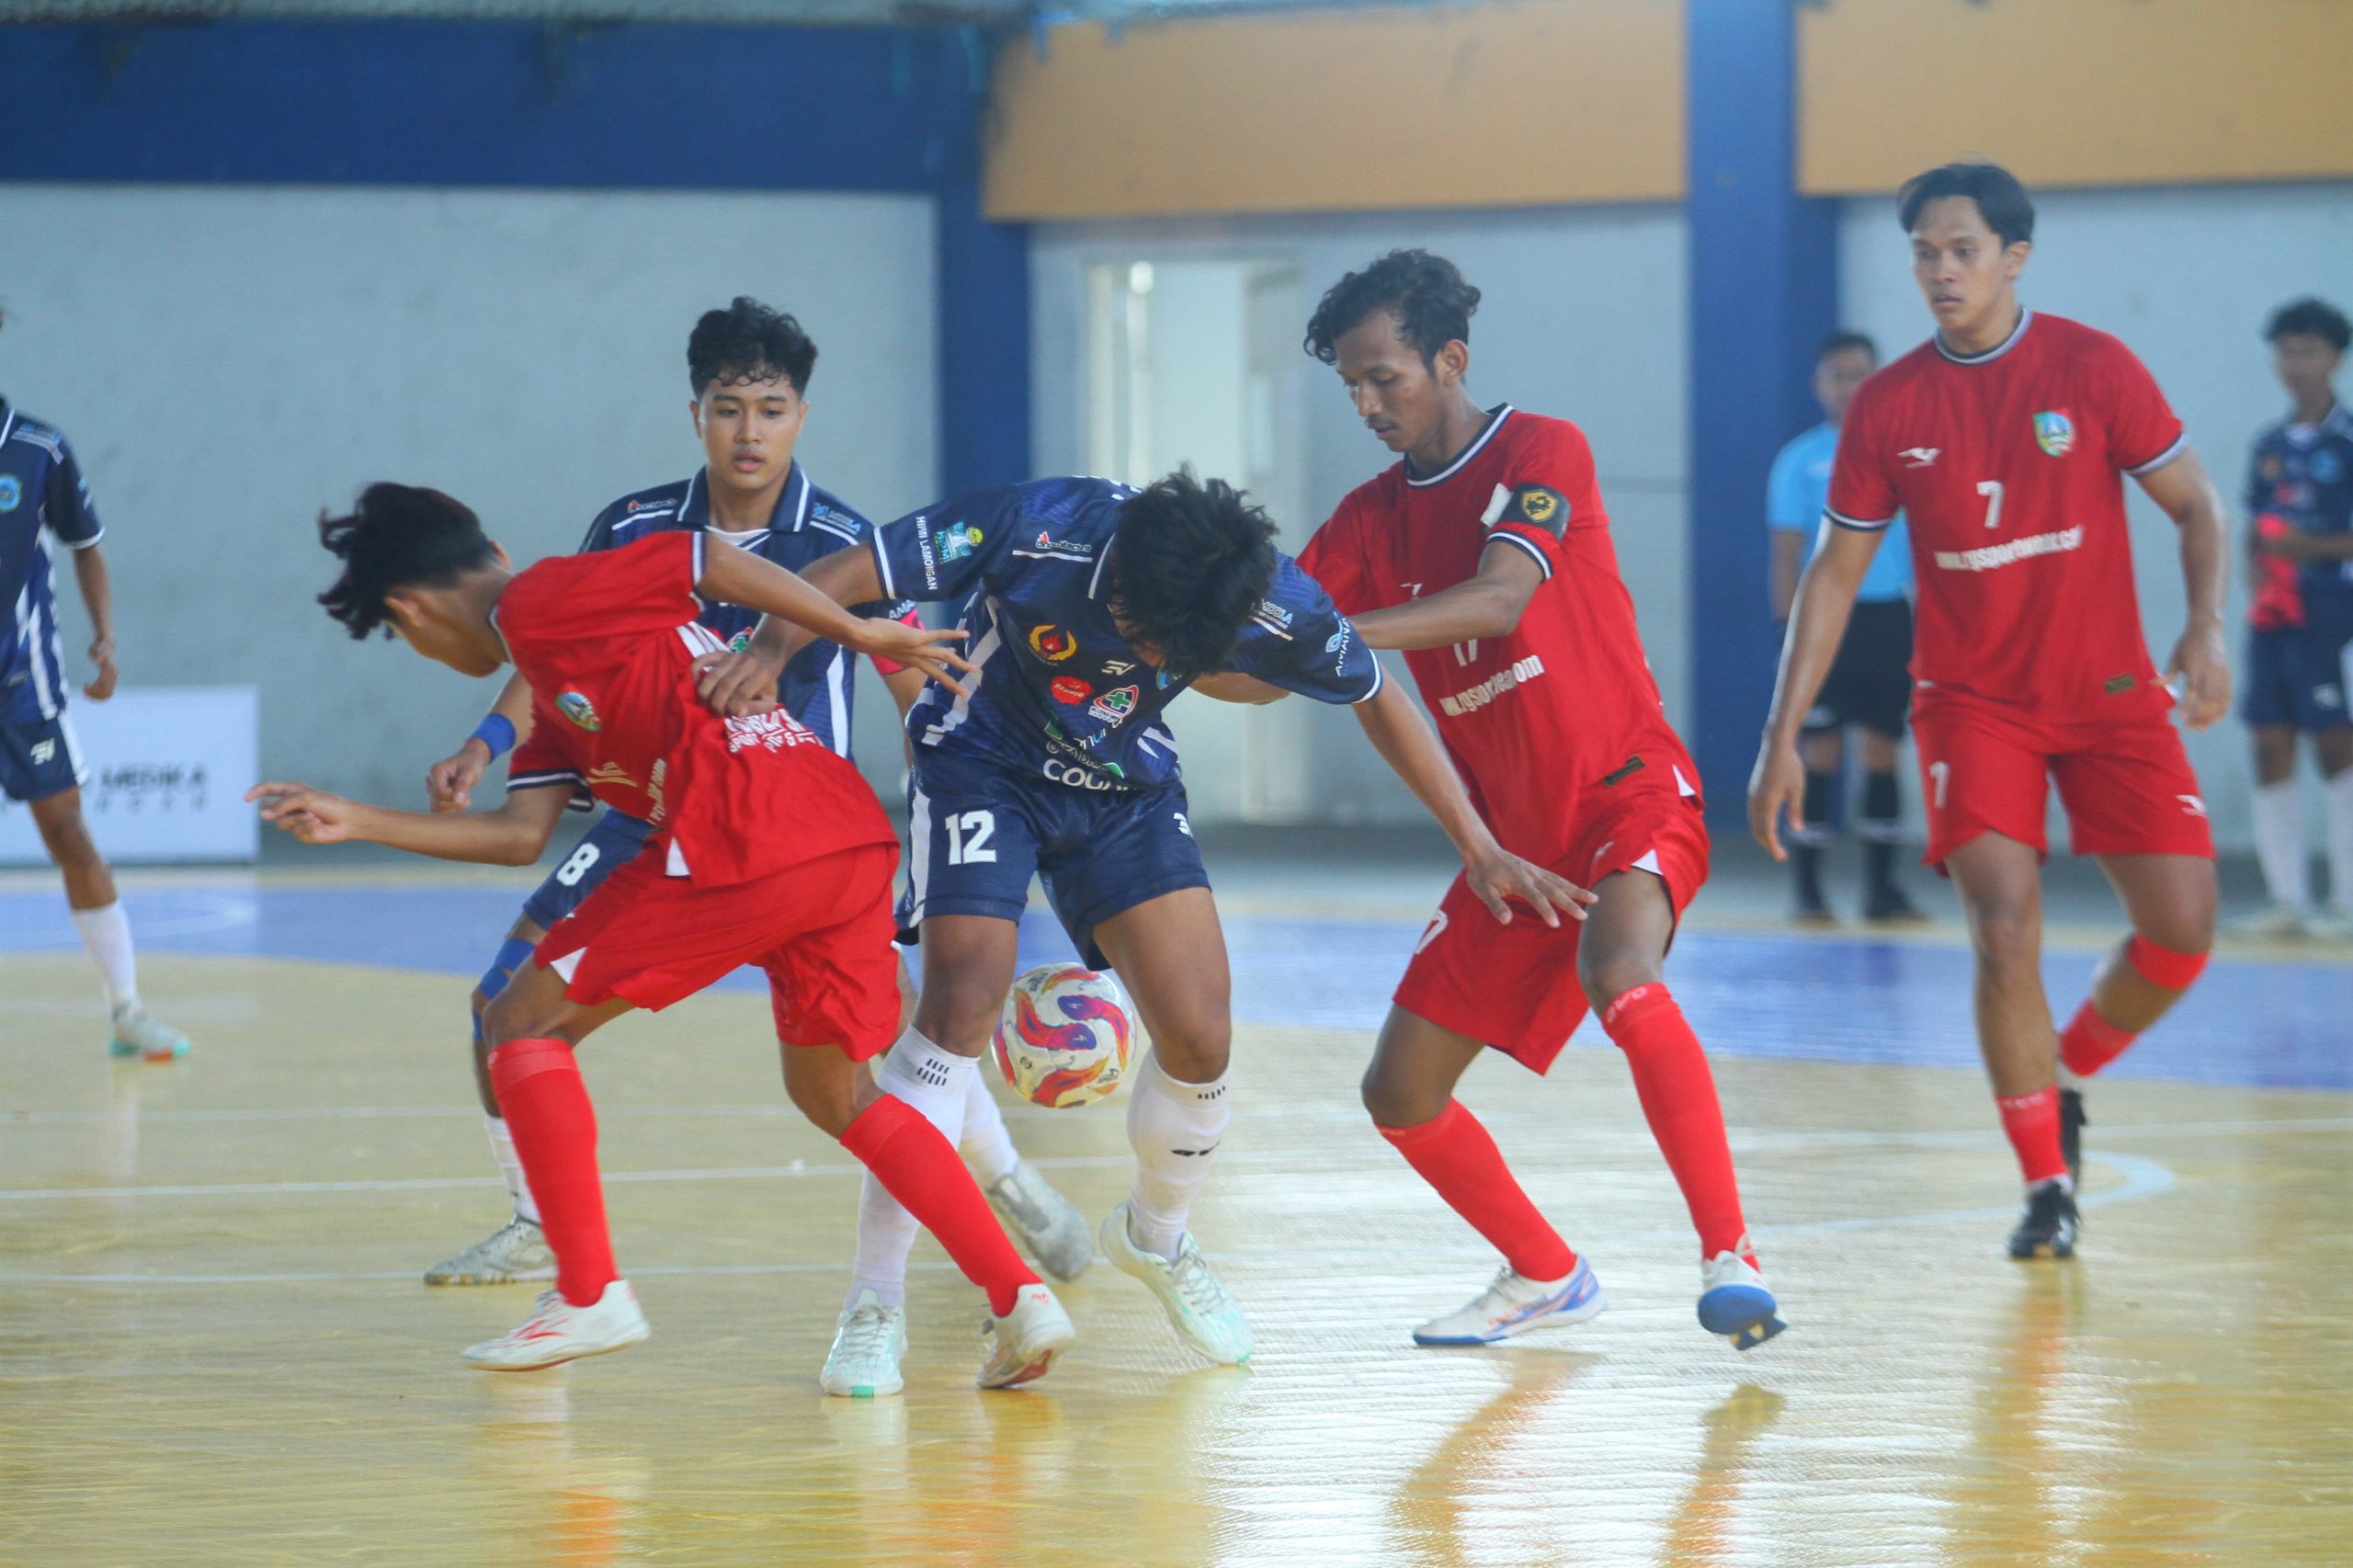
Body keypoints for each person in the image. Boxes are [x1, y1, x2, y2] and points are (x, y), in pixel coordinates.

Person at [698, 467, 1584, 1382]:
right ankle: (875, 1298)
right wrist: (769, 648)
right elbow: (854, 567)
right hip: (981, 761)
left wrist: (1477, 844)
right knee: (961, 1002)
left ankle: (1156, 1237)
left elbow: (1373, 694)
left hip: (1124, 788)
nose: (1156, 659)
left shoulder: (1270, 597)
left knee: (1201, 1036)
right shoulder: (1033, 519)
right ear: (1118, 581)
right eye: (1147, 638)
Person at [252, 483, 1077, 1389]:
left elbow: (709, 558)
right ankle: (1020, 1294)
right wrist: (360, 819)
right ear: (484, 542)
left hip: (743, 831)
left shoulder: (541, 597)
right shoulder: (556, 670)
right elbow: (518, 835)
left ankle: (588, 1288)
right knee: (837, 1092)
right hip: (834, 838)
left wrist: (864, 633)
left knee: (518, 1021)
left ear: (408, 608)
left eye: (402, 632)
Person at [409, 301, 1089, 1398]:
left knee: (875, 1053)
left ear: (800, 417)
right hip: (649, 812)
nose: (748, 432)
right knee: (515, 1002)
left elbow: (913, 676)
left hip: (776, 819)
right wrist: (491, 739)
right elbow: (538, 639)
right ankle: (547, 1229)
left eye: (770, 410)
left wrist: (950, 821)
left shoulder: (846, 539)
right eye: (728, 409)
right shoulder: (630, 522)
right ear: (696, 416)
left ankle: (997, 1186)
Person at [1289, 249, 1785, 1352]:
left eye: (1386, 379)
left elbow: (1505, 598)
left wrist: (1320, 637)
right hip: (1508, 848)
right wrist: (1178, 647)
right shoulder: (1369, 519)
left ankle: (1730, 1255)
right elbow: (1263, 651)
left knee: (1622, 975)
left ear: (1449, 358)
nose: (1367, 405)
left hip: (1628, 797)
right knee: (1399, 1091)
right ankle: (1544, 1270)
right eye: (1351, 388)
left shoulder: (1539, 450)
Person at [1749, 163, 2230, 1260]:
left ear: (2014, 256)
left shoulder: (2093, 367)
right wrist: (1781, 737)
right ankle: (2045, 1187)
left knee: (2183, 928)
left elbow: (2195, 502)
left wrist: (2203, 626)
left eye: (1961, 249)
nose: (1940, 270)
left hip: (2109, 696)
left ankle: (2061, 1070)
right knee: (2003, 925)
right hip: (1973, 704)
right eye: (1923, 251)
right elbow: (1829, 576)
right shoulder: (1891, 404)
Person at [1, 316, 191, 1062]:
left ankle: (127, 1009)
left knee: (70, 835)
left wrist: (106, 638)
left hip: (24, 685)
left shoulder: (38, 448)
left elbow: (86, 546)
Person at [1767, 330, 1923, 925]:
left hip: (1887, 617)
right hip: (1821, 620)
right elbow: (1784, 552)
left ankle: (1883, 891)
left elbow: (1924, 549)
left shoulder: (1905, 457)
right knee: (1819, 753)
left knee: (1883, 751)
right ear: (1818, 385)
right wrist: (1787, 629)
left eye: (1860, 374)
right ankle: (1808, 891)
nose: (1849, 386)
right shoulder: (1799, 460)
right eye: (1837, 375)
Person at [2234, 297, 2353, 939]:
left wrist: (2313, 551)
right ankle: (2287, 900)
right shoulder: (2270, 444)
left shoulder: (2349, 442)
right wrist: (2258, 567)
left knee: (2337, 746)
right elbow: (2255, 528)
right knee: (2268, 743)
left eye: (2308, 351)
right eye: (2286, 351)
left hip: (2333, 615)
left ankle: (2348, 901)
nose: (2295, 364)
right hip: (2273, 619)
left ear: (2336, 357)